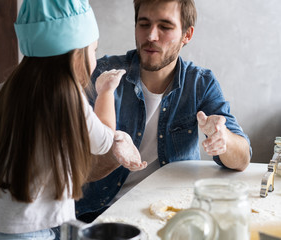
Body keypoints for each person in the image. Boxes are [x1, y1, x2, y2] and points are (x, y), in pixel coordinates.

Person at [0, 0, 145, 239]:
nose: (95, 57)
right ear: (77, 54)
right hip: (31, 232)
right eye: (93, 50)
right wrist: (106, 92)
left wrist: (2, 158)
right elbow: (104, 142)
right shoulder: (70, 98)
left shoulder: (12, 86)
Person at [75, 0, 252, 223]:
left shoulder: (200, 83)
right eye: (144, 24)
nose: (151, 36)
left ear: (187, 35)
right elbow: (76, 171)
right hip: (100, 214)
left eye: (165, 27)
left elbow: (243, 158)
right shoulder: (102, 75)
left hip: (173, 214)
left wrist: (222, 138)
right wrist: (113, 152)